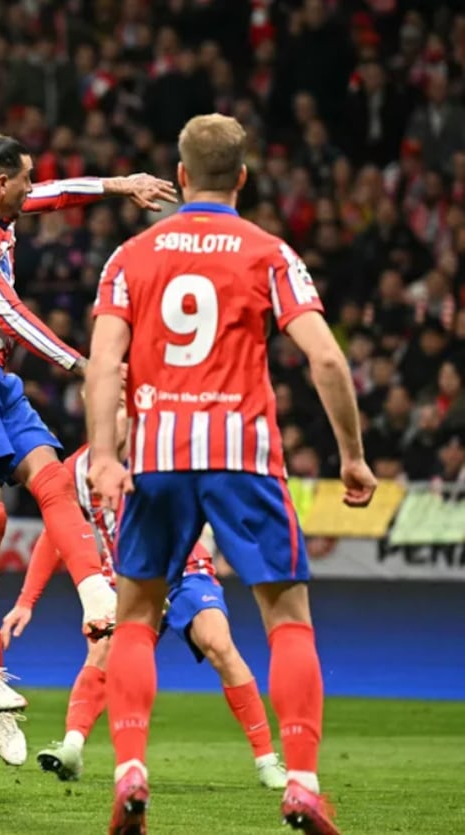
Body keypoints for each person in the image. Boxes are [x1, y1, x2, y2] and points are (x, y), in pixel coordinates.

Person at [85, 114, 376, 835]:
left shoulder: (130, 255)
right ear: (241, 178)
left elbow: (103, 365)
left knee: (137, 617)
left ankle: (129, 769)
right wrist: (352, 454)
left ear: (180, 176)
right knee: (286, 618)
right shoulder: (269, 252)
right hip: (243, 456)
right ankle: (302, 781)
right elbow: (329, 359)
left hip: (155, 456)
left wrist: (104, 454)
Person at [0, 126, 176, 724]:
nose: (32, 187)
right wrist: (80, 364)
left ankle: (97, 595)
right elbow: (6, 308)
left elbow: (50, 194)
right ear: (0, 184)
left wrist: (117, 185)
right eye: (24, 178)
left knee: (53, 482)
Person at [1, 397, 288, 791]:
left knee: (218, 643)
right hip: (126, 578)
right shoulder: (77, 470)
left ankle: (267, 760)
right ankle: (71, 747)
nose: (119, 415)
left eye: (123, 405)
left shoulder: (162, 455)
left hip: (184, 568)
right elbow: (55, 535)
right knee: (102, 653)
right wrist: (25, 601)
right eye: (111, 406)